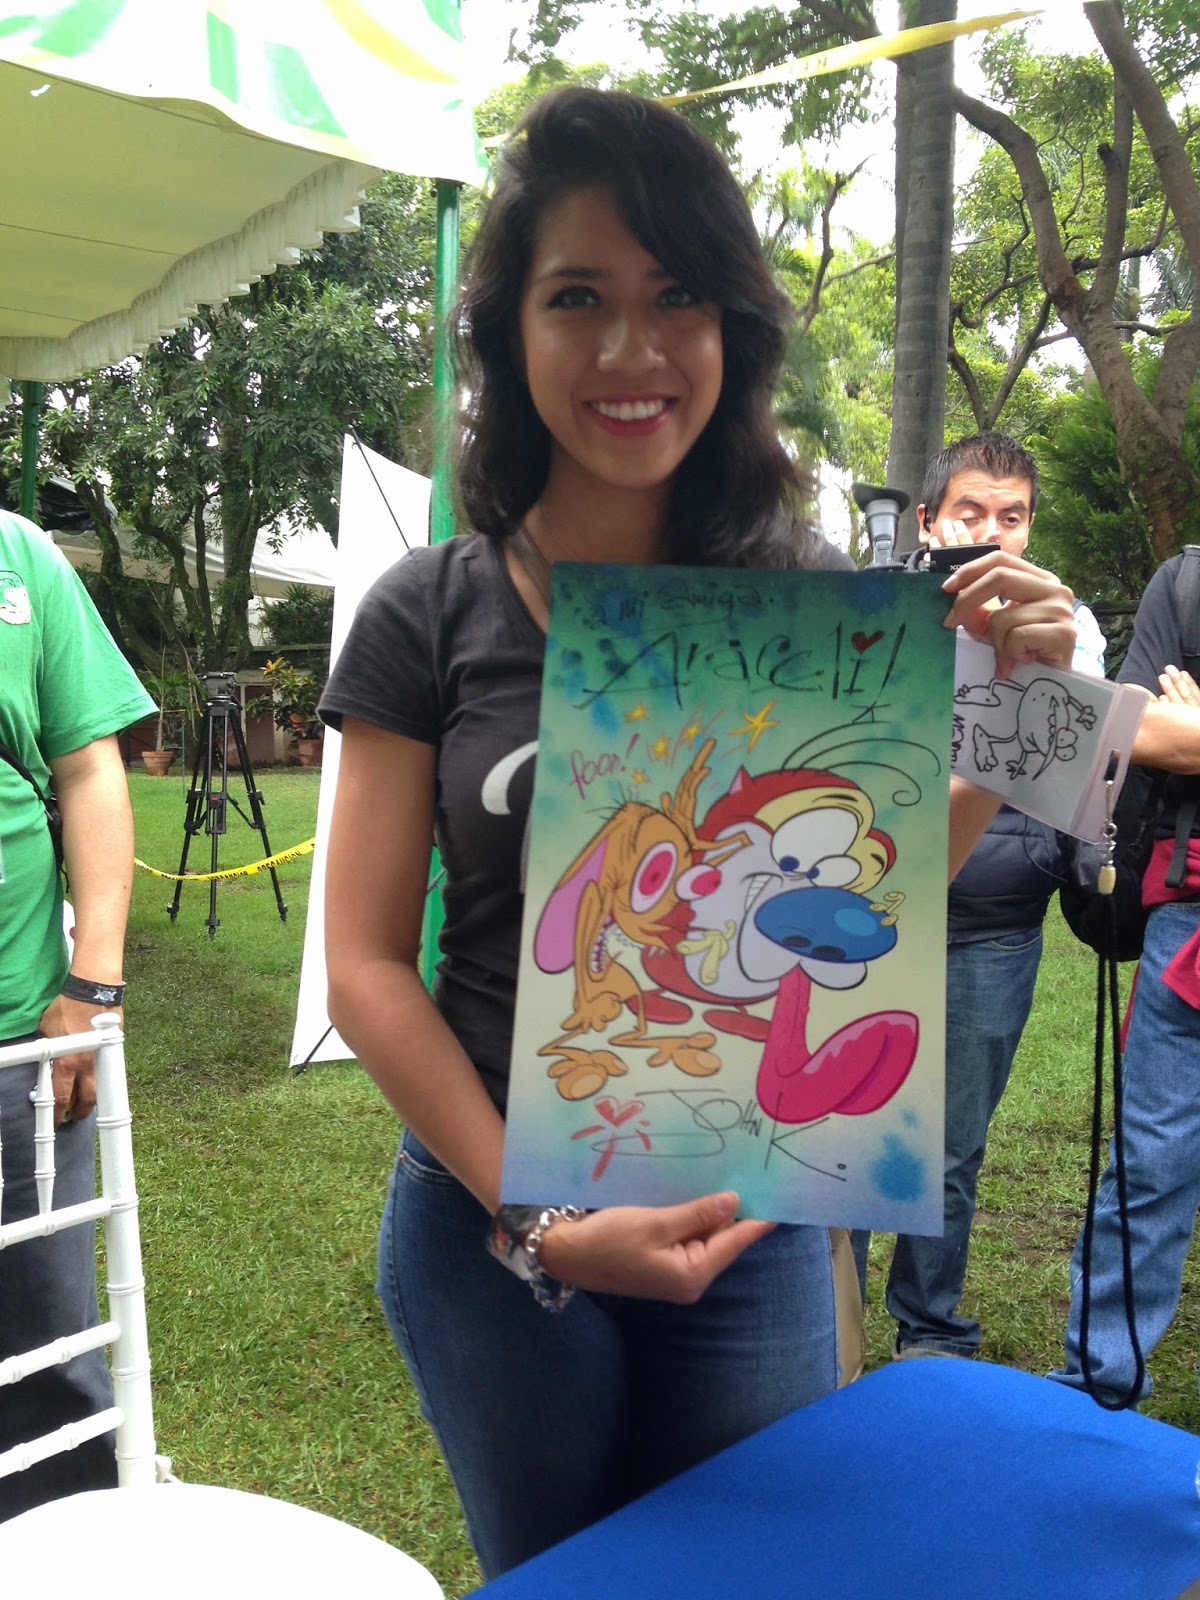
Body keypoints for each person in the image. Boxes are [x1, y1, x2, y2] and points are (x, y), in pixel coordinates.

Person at [319, 88, 1078, 1580]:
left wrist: (1020, 700)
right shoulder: (430, 609)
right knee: (559, 1575)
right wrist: (538, 1220)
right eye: (577, 296)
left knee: (745, 1577)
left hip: (753, 1222)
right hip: (494, 1226)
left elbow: (877, 896)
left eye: (676, 297)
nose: (630, 349)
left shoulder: (811, 599)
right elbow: (363, 966)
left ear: (732, 328)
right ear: (508, 332)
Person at [851, 433, 1106, 1359]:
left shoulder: (1069, 625)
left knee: (950, 1147)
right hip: (873, 921)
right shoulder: (872, 614)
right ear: (929, 521)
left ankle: (928, 1330)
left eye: (1012, 516)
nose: (991, 531)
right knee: (846, 1132)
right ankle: (827, 1320)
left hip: (994, 928)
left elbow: (1079, 771)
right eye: (971, 512)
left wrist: (1050, 670)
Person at [0, 507, 153, 1519]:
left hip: (19, 1041)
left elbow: (90, 766)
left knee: (48, 1353)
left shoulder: (20, 555)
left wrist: (93, 986)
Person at [1049, 558, 1200, 1407]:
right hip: (1188, 923)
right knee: (1151, 1165)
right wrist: (1171, 731)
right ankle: (1097, 1387)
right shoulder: (1185, 584)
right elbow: (1132, 731)